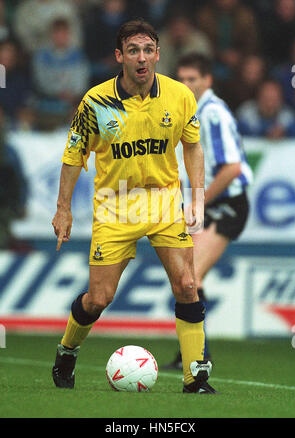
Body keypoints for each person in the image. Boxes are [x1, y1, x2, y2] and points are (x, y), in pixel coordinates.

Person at [51, 19, 217, 394]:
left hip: (162, 201)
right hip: (115, 204)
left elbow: (192, 144)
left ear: (157, 54)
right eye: (132, 50)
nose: (141, 58)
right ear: (119, 56)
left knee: (188, 285)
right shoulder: (95, 102)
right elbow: (73, 157)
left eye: (147, 50)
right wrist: (63, 209)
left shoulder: (179, 96)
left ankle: (195, 377)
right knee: (99, 298)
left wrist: (197, 196)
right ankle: (67, 349)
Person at [163, 53, 253, 370]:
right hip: (217, 203)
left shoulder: (212, 113)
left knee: (190, 276)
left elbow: (231, 168)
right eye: (182, 79)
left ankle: (198, 355)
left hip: (227, 204)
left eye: (192, 79)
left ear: (207, 80)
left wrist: (198, 201)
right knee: (185, 276)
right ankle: (194, 352)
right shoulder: (195, 111)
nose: (186, 85)